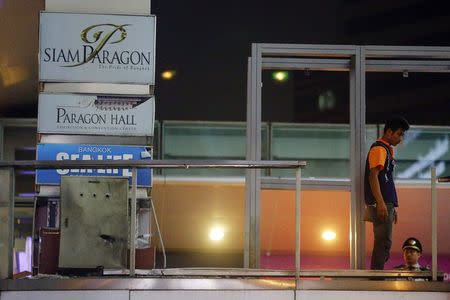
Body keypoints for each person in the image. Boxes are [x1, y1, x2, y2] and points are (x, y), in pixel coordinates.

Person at [364, 116, 410, 270]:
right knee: (383, 242)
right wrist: (381, 203)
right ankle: (376, 277)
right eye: (399, 134)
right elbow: (373, 177)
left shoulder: (386, 150)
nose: (401, 138)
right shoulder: (379, 149)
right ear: (389, 132)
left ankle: (377, 274)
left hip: (386, 203)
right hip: (381, 203)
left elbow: (386, 180)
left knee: (385, 242)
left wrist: (392, 206)